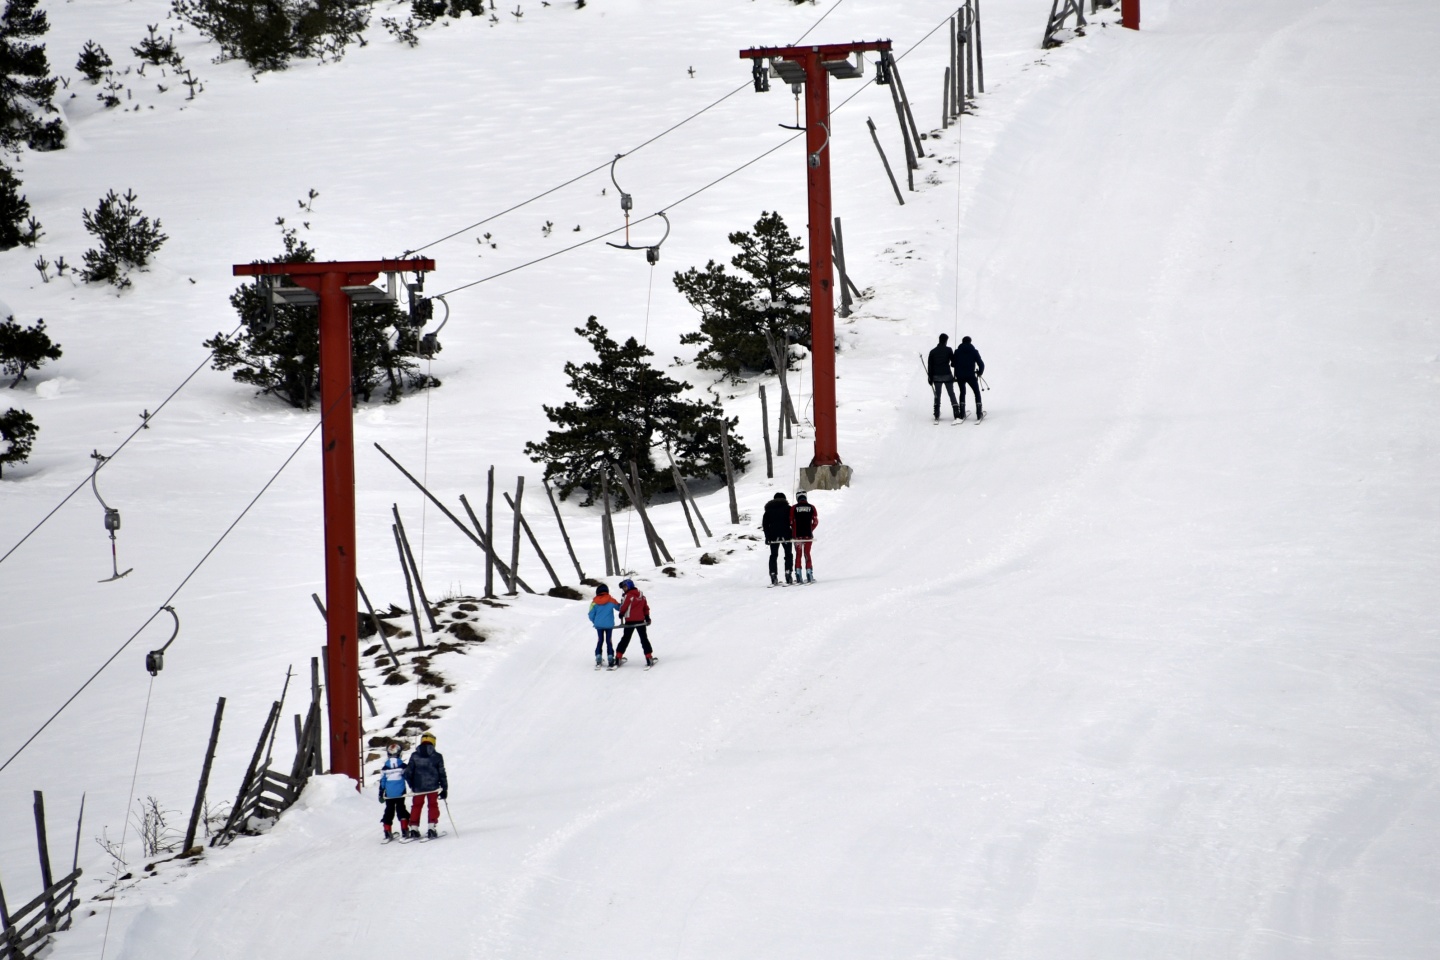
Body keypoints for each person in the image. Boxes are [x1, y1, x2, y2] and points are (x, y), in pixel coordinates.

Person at [403, 731, 448, 839]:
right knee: (432, 805)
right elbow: (442, 773)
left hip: (418, 787)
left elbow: (407, 773)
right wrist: (444, 788)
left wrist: (412, 785)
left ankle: (414, 829)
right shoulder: (437, 756)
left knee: (416, 806)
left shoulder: (414, 755)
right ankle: (431, 828)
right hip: (433, 787)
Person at [614, 578, 656, 668]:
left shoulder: (628, 596)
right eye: (623, 588)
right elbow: (645, 607)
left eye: (625, 587)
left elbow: (624, 606)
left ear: (629, 586)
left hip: (629, 621)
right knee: (644, 638)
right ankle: (649, 657)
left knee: (625, 638)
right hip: (641, 621)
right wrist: (647, 617)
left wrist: (621, 614)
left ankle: (618, 657)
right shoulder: (641, 595)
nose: (624, 589)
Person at [376, 740, 411, 841]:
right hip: (400, 793)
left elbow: (382, 781)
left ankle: (387, 831)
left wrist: (380, 793)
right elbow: (408, 777)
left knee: (389, 810)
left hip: (389, 793)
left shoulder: (385, 767)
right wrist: (413, 787)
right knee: (401, 809)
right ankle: (404, 829)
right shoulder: (403, 766)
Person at [927, 333, 961, 421]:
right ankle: (956, 412)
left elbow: (930, 366)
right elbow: (954, 363)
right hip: (947, 375)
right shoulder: (949, 350)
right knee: (951, 393)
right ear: (946, 340)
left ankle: (937, 413)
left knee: (937, 395)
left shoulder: (933, 351)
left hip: (936, 376)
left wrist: (930, 378)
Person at [762, 492, 795, 585]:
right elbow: (792, 522)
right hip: (786, 534)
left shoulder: (768, 510)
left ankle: (773, 574)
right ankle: (788, 572)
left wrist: (767, 537)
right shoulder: (788, 508)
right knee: (788, 554)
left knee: (773, 555)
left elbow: (765, 525)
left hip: (773, 536)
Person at [952, 335, 985, 421]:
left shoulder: (957, 351)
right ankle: (978, 413)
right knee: (976, 392)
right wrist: (979, 372)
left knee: (962, 392)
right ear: (970, 342)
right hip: (971, 375)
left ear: (962, 342)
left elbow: (952, 364)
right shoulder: (974, 351)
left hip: (960, 376)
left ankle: (962, 413)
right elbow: (981, 364)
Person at [588, 583, 621, 669]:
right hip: (609, 625)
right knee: (608, 640)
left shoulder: (594, 602)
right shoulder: (611, 600)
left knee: (600, 640)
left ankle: (598, 657)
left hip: (599, 625)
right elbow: (619, 607)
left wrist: (595, 621)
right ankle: (610, 657)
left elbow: (591, 614)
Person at [790, 492, 819, 583]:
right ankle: (809, 573)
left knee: (798, 554)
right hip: (808, 536)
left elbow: (790, 521)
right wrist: (810, 529)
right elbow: (815, 521)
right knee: (807, 553)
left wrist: (794, 529)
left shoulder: (794, 508)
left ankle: (798, 574)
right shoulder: (812, 507)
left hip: (797, 536)